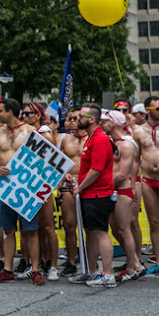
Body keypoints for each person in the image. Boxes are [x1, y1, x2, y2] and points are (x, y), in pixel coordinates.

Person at [0, 99, 44, 285]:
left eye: (0, 111)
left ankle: (35, 270)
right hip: (5, 186)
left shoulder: (30, 131)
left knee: (31, 230)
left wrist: (41, 190)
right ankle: (8, 269)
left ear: (10, 112)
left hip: (26, 187)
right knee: (8, 229)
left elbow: (42, 162)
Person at [68, 103, 116, 288]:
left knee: (100, 232)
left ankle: (107, 273)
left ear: (91, 119)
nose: (76, 119)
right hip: (89, 194)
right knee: (91, 233)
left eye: (81, 116)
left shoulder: (100, 139)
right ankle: (91, 270)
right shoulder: (91, 138)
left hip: (98, 194)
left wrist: (80, 187)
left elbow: (96, 170)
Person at [101, 111, 145, 282]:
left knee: (125, 229)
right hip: (112, 189)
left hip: (121, 190)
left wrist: (132, 185)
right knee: (116, 229)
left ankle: (133, 266)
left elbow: (123, 174)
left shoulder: (127, 144)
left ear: (113, 124)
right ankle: (134, 262)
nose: (101, 124)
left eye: (104, 122)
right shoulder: (112, 142)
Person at [133, 96, 159, 276]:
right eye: (156, 108)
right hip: (148, 179)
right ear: (147, 110)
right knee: (154, 222)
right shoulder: (138, 131)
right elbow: (135, 159)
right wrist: (133, 182)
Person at [21, 102, 59, 281]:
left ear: (38, 116)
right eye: (23, 113)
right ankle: (36, 263)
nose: (24, 116)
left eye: (28, 114)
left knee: (47, 227)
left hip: (42, 186)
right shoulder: (25, 132)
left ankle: (53, 266)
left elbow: (51, 164)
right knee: (30, 228)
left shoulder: (44, 134)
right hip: (27, 185)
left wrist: (44, 190)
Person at [58, 108, 87, 277]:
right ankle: (71, 261)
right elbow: (60, 163)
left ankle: (90, 261)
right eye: (70, 118)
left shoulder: (91, 139)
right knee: (69, 225)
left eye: (76, 118)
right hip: (69, 186)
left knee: (90, 227)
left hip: (87, 185)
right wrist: (64, 175)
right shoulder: (65, 140)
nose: (72, 121)